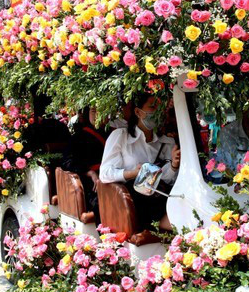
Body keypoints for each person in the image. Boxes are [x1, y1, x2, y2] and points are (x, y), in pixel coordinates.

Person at [99, 94, 181, 231]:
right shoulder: (120, 136)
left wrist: (173, 165)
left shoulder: (167, 142)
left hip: (160, 198)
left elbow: (165, 179)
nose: (157, 112)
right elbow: (105, 174)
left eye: (160, 108)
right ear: (138, 112)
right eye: (153, 107)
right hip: (135, 202)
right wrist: (132, 173)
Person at [62, 108, 110, 221]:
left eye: (101, 111)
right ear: (87, 114)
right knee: (101, 203)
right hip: (92, 182)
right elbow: (67, 162)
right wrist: (90, 172)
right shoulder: (78, 137)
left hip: (113, 177)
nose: (98, 115)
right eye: (93, 111)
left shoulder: (114, 133)